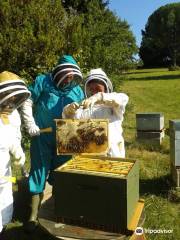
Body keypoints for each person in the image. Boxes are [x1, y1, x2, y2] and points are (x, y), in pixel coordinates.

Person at [20, 55, 84, 231]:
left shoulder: (78, 90)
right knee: (38, 170)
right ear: (59, 71)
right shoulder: (43, 81)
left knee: (61, 173)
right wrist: (30, 123)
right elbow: (27, 99)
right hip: (42, 135)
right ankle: (33, 215)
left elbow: (83, 113)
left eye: (72, 76)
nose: (69, 79)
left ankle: (57, 209)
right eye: (66, 75)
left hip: (67, 136)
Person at [63, 68, 128, 158]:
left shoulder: (113, 107)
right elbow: (69, 125)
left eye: (98, 88)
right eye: (91, 89)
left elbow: (123, 98)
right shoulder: (84, 108)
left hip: (112, 156)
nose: (94, 92)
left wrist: (99, 97)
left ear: (105, 87)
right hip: (88, 156)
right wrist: (68, 111)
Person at [0, 71, 31, 234]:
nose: (11, 103)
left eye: (14, 99)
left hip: (4, 171)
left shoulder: (11, 116)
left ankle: (3, 227)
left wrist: (18, 151)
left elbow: (12, 138)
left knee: (5, 198)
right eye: (8, 97)